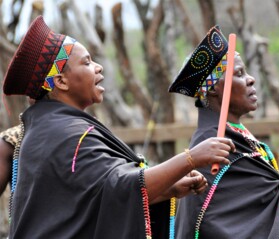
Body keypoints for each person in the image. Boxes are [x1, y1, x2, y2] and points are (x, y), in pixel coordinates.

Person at [2, 16, 236, 239]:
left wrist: (168, 190)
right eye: (86, 62)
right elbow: (118, 187)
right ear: (61, 81)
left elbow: (93, 199)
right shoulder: (69, 135)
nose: (99, 67)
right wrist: (191, 158)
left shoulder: (49, 128)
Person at [169, 25, 279, 238]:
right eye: (239, 73)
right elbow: (207, 223)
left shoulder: (238, 137)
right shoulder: (208, 146)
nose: (251, 79)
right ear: (213, 88)